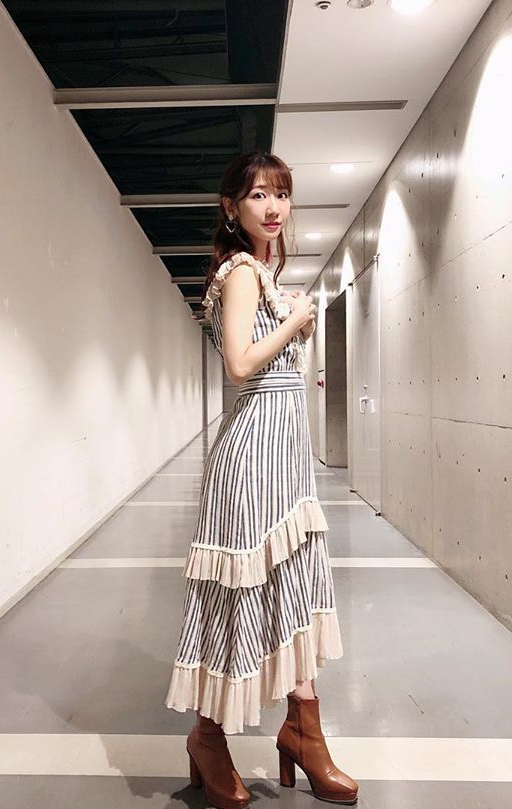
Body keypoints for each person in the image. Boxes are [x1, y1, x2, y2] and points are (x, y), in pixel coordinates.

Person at [164, 150, 359, 808]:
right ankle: (208, 737)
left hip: (283, 458)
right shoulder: (243, 271)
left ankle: (304, 728)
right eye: (258, 195)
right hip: (251, 460)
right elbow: (240, 364)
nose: (273, 207)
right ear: (232, 207)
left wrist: (294, 318)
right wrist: (299, 323)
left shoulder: (262, 273)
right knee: (239, 594)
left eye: (281, 193)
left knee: (292, 586)